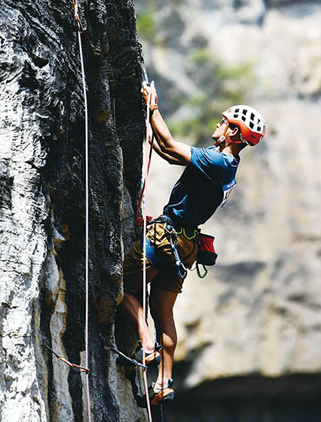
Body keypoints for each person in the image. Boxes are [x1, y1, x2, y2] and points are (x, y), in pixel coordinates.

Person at [119, 82, 265, 404]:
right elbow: (165, 152)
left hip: (165, 237)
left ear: (234, 135)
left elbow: (170, 144)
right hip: (186, 248)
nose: (218, 125)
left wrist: (153, 107)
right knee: (163, 309)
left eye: (224, 123)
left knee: (124, 287)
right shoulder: (225, 166)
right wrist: (147, 121)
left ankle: (145, 342)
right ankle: (164, 383)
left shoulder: (218, 162)